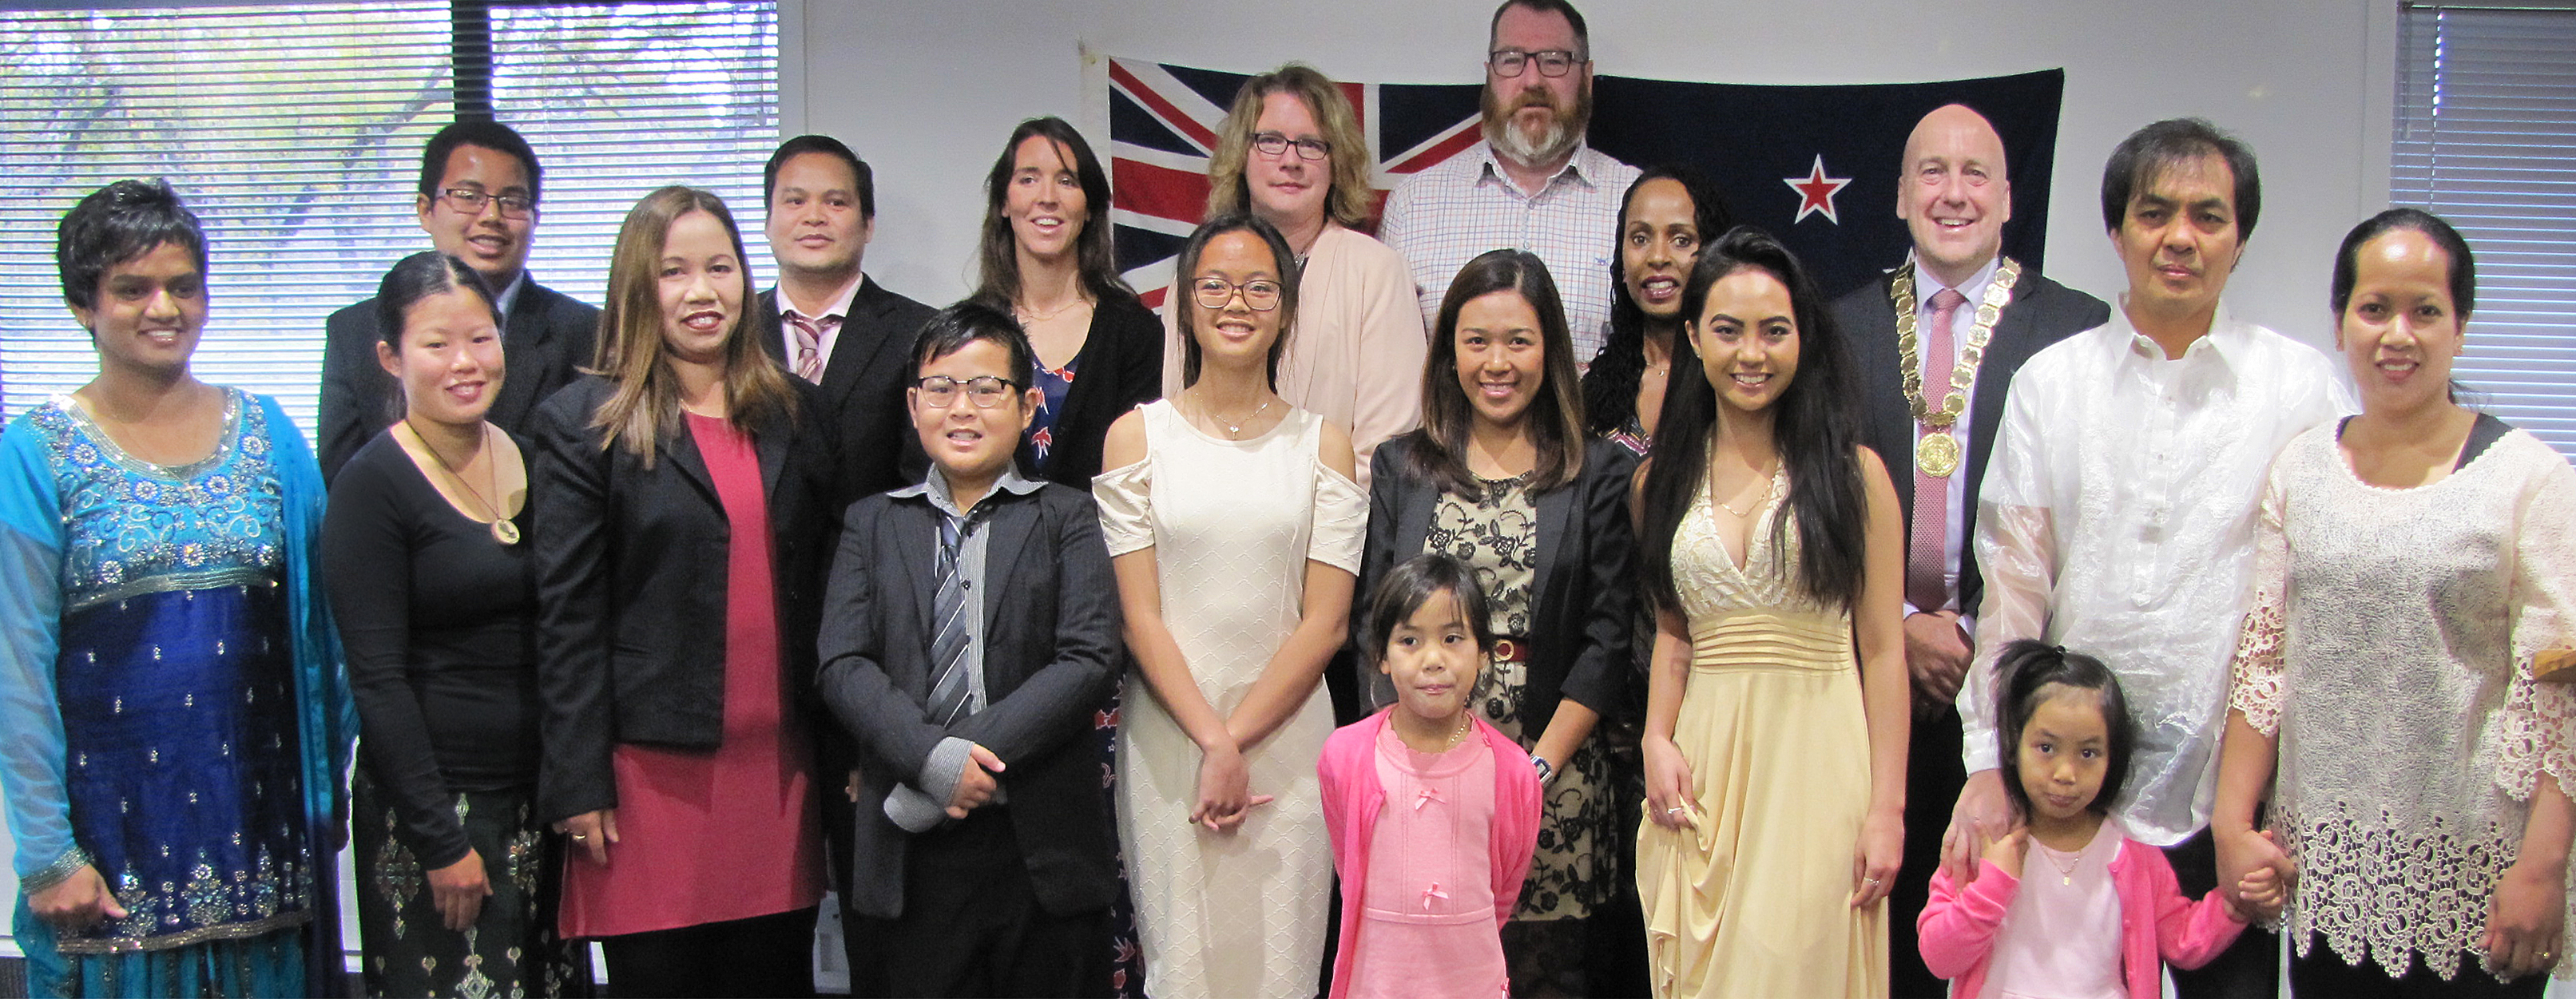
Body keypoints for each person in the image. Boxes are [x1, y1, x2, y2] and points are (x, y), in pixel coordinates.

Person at [1946, 118, 2348, 998]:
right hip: (2066, 785)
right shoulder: (2053, 384)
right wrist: (1987, 765)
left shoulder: (2302, 388)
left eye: (2209, 216)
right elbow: (2013, 587)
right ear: (2117, 229)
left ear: (2240, 237)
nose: (2179, 237)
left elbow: (2320, 598)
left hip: (2231, 793)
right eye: (2155, 212)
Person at [0, 178, 354, 997]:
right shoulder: (37, 453)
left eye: (183, 285)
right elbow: (16, 662)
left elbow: (324, 636)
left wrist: (325, 794)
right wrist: (48, 854)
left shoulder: (270, 436)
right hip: (109, 867)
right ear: (84, 305)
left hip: (268, 853)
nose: (164, 307)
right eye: (132, 289)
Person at [2213, 208, 2576, 995]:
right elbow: (2265, 662)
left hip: (2481, 877)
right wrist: (2231, 826)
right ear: (2341, 321)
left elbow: (2564, 697)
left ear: (2462, 326)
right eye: (2374, 308)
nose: (2398, 334)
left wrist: (2544, 871)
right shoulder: (2302, 468)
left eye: (2426, 311)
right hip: (2324, 871)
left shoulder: (2531, 480)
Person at [1823, 103, 2109, 998]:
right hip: (1871, 678)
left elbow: (2083, 514)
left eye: (1976, 172)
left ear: (2010, 196)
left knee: (2005, 936)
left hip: (2025, 693)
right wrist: (1904, 622)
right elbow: (1820, 501)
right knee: (1882, 922)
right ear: (1903, 195)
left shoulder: (2077, 329)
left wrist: (1980, 629)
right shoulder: (1837, 326)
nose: (1954, 193)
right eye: (1933, 173)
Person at [526, 187, 836, 997]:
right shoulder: (582, 424)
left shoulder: (796, 414)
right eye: (675, 272)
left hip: (779, 778)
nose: (704, 292)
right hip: (643, 785)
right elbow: (566, 617)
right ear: (639, 288)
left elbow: (831, 586)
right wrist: (577, 780)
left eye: (721, 268)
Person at [816, 302, 1122, 997]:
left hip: (1038, 842)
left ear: (1026, 405)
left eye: (987, 387)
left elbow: (1088, 658)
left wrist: (960, 757)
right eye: (942, 387)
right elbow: (842, 663)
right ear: (913, 404)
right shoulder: (872, 522)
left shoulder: (1067, 515)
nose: (963, 407)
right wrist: (929, 759)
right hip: (910, 846)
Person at [1633, 226, 1907, 998]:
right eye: (1727, 330)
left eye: (1773, 331)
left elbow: (1883, 651)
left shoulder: (1856, 478)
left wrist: (1886, 809)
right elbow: (1672, 634)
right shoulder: (1657, 482)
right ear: (1692, 336)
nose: (1750, 353)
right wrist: (1657, 737)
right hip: (1703, 771)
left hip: (1819, 763)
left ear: (1802, 338)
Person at [1093, 212, 1363, 997]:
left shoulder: (1326, 444)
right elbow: (1139, 617)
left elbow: (1328, 622)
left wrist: (1235, 740)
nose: (1235, 302)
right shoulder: (1135, 439)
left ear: (1285, 307)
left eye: (1258, 286)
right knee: (1183, 968)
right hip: (1170, 741)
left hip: (1289, 743)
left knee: (1281, 967)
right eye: (1214, 284)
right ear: (1184, 302)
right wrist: (1211, 741)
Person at [1356, 248, 1634, 993]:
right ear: (1448, 350)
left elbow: (1609, 636)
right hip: (1422, 780)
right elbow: (1371, 624)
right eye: (1476, 340)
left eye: (1519, 340)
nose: (1497, 362)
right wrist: (1402, 761)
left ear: (1551, 349)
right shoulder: (1401, 466)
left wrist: (1529, 770)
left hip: (1550, 779)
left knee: (1546, 981)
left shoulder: (1597, 472)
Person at [324, 251, 589, 997]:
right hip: (437, 808)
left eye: (481, 338)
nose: (465, 362)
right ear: (389, 356)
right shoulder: (371, 485)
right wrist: (441, 839)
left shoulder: (534, 456)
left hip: (537, 800)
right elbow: (376, 680)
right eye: (437, 344)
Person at [1918, 641, 2267, 999]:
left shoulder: (2130, 851)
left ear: (2112, 758)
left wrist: (2232, 908)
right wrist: (1992, 884)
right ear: (2013, 745)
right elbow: (1939, 957)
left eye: (2088, 753)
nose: (2066, 773)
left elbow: (2180, 938)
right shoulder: (1986, 841)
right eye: (2046, 748)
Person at [1170, 62, 1427, 486]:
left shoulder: (1377, 272)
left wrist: (1292, 527)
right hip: (1202, 525)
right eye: (1270, 141)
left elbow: (1386, 452)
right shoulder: (1198, 272)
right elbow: (1175, 420)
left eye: (1311, 145)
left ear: (1336, 162)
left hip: (1335, 537)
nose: (1290, 161)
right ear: (1241, 155)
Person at [319, 120, 600, 482]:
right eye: (469, 197)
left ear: (535, 219)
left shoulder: (587, 333)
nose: (492, 216)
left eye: (513, 202)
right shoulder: (355, 332)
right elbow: (342, 480)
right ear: (425, 210)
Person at [1322, 553, 1544, 999]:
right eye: (1409, 640)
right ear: (1382, 655)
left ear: (1483, 653)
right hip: (1376, 982)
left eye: (1453, 638)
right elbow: (1350, 869)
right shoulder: (1344, 755)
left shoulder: (1513, 771)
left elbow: (1503, 889)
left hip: (1470, 980)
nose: (1433, 659)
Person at [1378, 0, 1639, 363]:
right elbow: (1388, 364)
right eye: (1512, 60)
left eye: (1554, 60)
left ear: (1587, 76)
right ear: (1490, 74)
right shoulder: (1413, 203)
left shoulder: (1636, 201)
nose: (1532, 80)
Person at [974, 117, 1162, 490]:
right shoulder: (968, 330)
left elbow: (1138, 478)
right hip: (987, 544)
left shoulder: (1135, 332)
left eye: (1066, 181)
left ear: (1090, 205)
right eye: (1028, 179)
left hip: (1099, 545)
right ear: (1004, 203)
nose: (1048, 197)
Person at [756, 134, 938, 502]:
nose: (814, 217)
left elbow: (928, 481)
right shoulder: (733, 333)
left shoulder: (922, 334)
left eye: (836, 202)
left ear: (868, 224)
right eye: (795, 201)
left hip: (876, 555)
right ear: (768, 221)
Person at [1582, 165, 1733, 458]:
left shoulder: (1742, 378)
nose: (1658, 257)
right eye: (1640, 238)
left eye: (1682, 240)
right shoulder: (1589, 393)